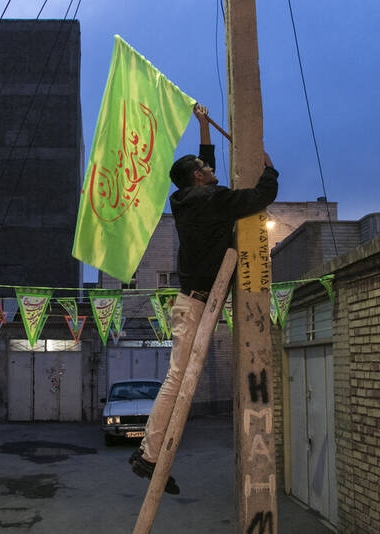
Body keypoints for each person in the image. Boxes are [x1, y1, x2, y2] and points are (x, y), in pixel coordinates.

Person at [129, 104, 279, 494]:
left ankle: (150, 453)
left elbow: (207, 163)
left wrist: (203, 129)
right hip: (195, 303)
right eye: (205, 166)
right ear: (198, 177)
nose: (210, 168)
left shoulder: (192, 199)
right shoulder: (212, 201)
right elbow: (262, 196)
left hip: (194, 300)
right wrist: (269, 166)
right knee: (177, 378)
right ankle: (147, 455)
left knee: (179, 378)